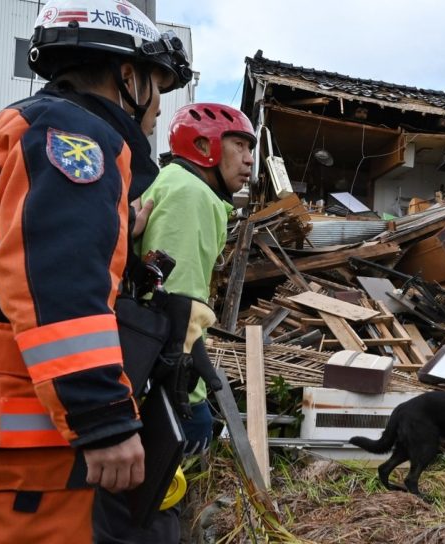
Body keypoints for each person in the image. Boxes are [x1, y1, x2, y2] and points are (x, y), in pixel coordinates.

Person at [0, 1, 191, 541]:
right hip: (24, 451)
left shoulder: (25, 128)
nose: (158, 106)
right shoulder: (76, 137)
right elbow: (57, 284)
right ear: (128, 76)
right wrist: (103, 417)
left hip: (7, 438)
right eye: (158, 83)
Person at [92, 104, 255, 542]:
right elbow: (173, 304)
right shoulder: (191, 194)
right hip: (160, 383)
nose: (249, 158)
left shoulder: (176, 184)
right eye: (239, 145)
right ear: (203, 146)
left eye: (251, 149)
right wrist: (188, 397)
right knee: (151, 516)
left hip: (134, 369)